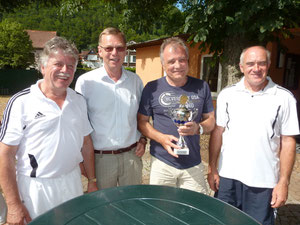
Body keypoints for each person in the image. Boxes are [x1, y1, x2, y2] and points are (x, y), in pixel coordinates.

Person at [0, 36, 98, 223]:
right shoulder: (22, 102)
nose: (65, 71)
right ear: (43, 67)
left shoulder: (78, 101)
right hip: (36, 188)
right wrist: (13, 205)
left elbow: (86, 143)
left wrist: (92, 181)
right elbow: (4, 155)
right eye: (58, 64)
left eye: (70, 66)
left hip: (72, 182)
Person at [208, 46, 300, 225]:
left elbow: (288, 141)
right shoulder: (227, 94)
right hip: (228, 179)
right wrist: (212, 168)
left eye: (261, 63)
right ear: (241, 67)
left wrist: (283, 182)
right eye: (250, 64)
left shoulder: (284, 98)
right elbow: (218, 132)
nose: (256, 68)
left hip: (263, 182)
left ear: (269, 65)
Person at [138, 37, 215, 193]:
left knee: (193, 212)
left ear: (187, 60)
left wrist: (198, 128)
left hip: (193, 164)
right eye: (171, 61)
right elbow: (142, 122)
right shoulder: (152, 88)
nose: (177, 65)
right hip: (162, 163)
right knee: (161, 212)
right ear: (163, 64)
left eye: (182, 60)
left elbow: (211, 121)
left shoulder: (202, 87)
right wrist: (161, 138)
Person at [75, 27, 145, 189]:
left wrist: (143, 139)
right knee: (104, 210)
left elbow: (142, 117)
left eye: (120, 48)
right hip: (101, 160)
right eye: (109, 48)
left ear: (125, 50)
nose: (115, 53)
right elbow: (78, 124)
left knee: (132, 205)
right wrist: (82, 161)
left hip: (132, 157)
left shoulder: (135, 81)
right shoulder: (86, 82)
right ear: (100, 51)